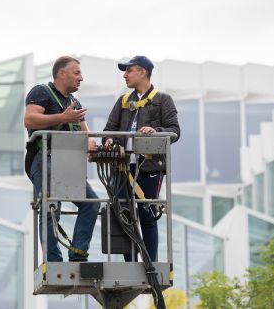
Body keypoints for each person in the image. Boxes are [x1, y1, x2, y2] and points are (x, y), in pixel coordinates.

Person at [103, 55, 180, 261]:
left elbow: (174, 131)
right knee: (124, 215)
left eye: (129, 71)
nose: (125, 75)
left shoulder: (163, 100)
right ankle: (130, 263)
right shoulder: (123, 101)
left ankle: (150, 262)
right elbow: (109, 129)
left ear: (142, 72)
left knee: (146, 215)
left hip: (150, 167)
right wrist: (109, 140)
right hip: (122, 168)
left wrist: (155, 131)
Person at [24, 56, 100, 262]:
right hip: (44, 158)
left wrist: (92, 146)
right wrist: (62, 118)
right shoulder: (41, 92)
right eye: (77, 73)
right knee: (51, 205)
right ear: (61, 73)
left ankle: (78, 253)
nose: (81, 78)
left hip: (67, 164)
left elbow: (85, 133)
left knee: (91, 203)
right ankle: (53, 260)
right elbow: (29, 119)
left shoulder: (74, 103)